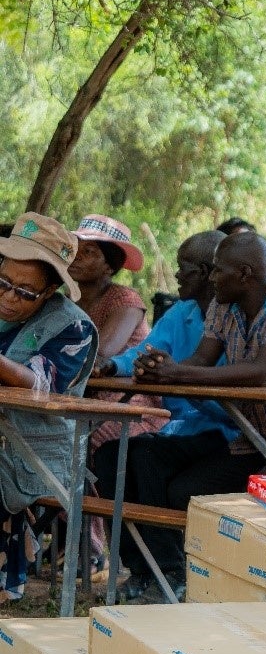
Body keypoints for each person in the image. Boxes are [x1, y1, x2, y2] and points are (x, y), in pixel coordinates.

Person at [120, 231, 266, 601]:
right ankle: (195, 581)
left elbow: (259, 370)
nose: (213, 278)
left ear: (245, 273)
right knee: (183, 491)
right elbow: (201, 360)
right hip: (251, 440)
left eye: (218, 271)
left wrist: (177, 373)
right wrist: (161, 370)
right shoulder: (225, 303)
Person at [89, 230, 240, 598]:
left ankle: (170, 569)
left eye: (183, 268)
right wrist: (113, 367)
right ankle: (141, 566)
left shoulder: (232, 317)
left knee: (145, 458)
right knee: (111, 455)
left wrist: (174, 375)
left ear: (206, 272)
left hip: (227, 430)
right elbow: (146, 350)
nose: (176, 276)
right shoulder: (182, 313)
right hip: (185, 428)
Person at [0, 213, 97, 601]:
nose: (9, 297)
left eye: (25, 292)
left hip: (35, 455)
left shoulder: (74, 328)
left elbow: (43, 384)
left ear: (51, 290)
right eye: (4, 283)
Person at [68, 215, 165, 454]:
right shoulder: (65, 300)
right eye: (74, 248)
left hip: (126, 404)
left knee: (81, 437)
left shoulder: (125, 300)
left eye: (89, 251)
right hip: (80, 396)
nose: (76, 257)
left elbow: (100, 353)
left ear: (110, 266)